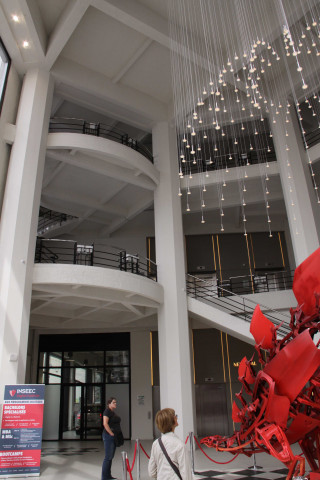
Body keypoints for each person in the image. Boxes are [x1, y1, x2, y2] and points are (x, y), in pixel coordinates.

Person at [148, 408, 192, 480]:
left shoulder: (156, 444)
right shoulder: (179, 445)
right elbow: (186, 475)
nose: (177, 418)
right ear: (172, 421)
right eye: (175, 416)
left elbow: (151, 472)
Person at [101, 397, 121, 480]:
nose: (115, 404)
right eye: (113, 402)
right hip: (108, 436)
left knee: (110, 457)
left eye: (116, 402)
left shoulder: (112, 412)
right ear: (109, 404)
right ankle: (104, 477)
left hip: (112, 436)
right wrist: (111, 433)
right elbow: (105, 424)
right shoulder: (107, 411)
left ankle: (108, 475)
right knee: (108, 457)